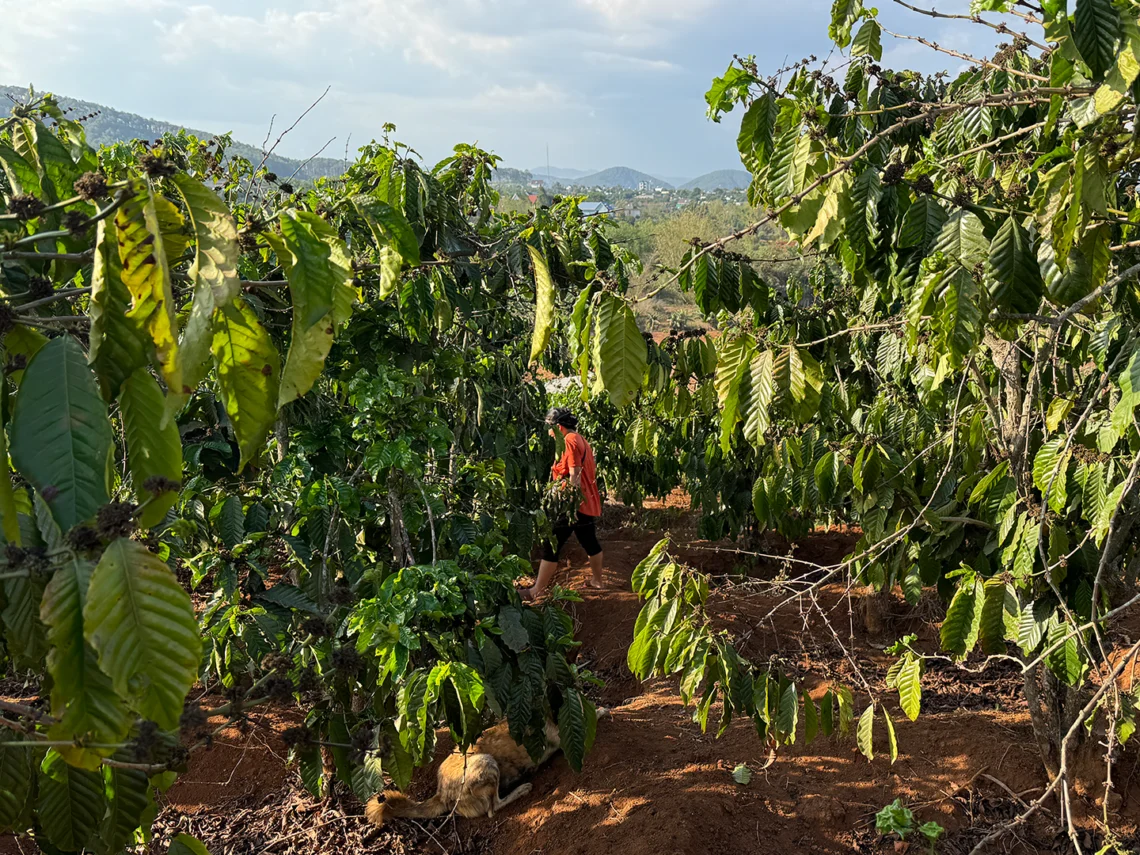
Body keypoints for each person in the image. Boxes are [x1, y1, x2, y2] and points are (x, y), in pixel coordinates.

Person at [523, 407, 604, 600]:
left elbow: (575, 473)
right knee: (589, 540)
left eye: (550, 428)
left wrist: (570, 506)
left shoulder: (569, 440)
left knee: (552, 543)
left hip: (574, 504)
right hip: (585, 502)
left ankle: (537, 590)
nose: (549, 433)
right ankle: (598, 582)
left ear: (559, 427)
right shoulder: (580, 439)